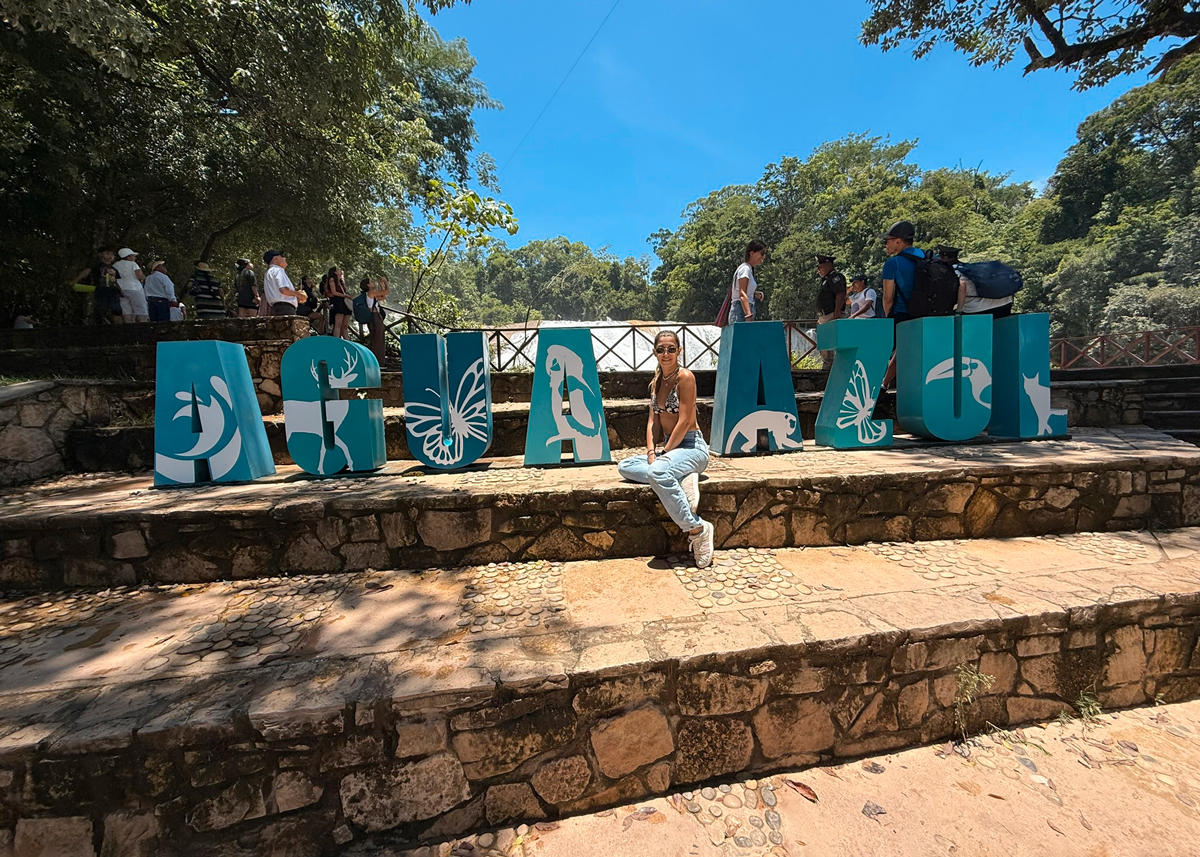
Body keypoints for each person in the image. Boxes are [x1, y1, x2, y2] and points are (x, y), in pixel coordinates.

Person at [616, 330, 715, 569]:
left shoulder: (686, 377)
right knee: (626, 466)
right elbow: (653, 422)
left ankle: (697, 528)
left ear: (679, 351)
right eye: (661, 349)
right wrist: (651, 453)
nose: (666, 353)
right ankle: (681, 478)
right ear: (655, 352)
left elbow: (684, 420)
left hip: (692, 447)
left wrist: (665, 453)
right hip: (671, 451)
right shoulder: (657, 382)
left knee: (657, 472)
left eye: (671, 349)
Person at [880, 221, 925, 388]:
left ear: (898, 241)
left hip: (903, 314)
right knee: (908, 350)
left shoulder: (893, 263)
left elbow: (888, 298)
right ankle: (885, 383)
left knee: (888, 348)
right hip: (928, 315)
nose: (885, 245)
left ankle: (879, 385)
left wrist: (888, 318)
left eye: (887, 240)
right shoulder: (928, 257)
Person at [942, 245, 1015, 319]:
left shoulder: (954, 272)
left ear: (945, 258)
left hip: (982, 309)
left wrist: (958, 311)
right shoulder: (967, 268)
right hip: (1005, 304)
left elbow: (962, 285)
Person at [815, 253, 847, 369]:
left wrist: (837, 313)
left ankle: (834, 366)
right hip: (824, 315)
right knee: (824, 342)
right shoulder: (826, 279)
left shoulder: (835, 277)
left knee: (833, 341)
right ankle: (827, 365)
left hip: (832, 314)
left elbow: (840, 294)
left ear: (828, 265)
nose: (819, 269)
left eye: (821, 266)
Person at [75, 248, 121, 324]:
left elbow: (116, 280)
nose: (110, 256)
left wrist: (120, 290)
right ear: (102, 254)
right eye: (107, 253)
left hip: (113, 290)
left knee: (117, 310)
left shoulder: (114, 268)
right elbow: (86, 272)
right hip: (102, 289)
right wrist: (75, 281)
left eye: (112, 254)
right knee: (101, 309)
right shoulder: (97, 265)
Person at [729, 240, 767, 323]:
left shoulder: (747, 269)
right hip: (741, 311)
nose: (763, 256)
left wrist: (753, 293)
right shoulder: (745, 269)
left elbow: (740, 289)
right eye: (762, 253)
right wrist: (748, 315)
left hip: (741, 310)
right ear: (752, 253)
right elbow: (742, 293)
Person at [114, 248, 148, 323]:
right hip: (135, 289)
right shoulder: (133, 264)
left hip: (122, 289)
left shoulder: (115, 265)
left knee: (127, 310)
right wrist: (145, 278)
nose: (135, 258)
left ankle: (129, 327)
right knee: (141, 309)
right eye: (133, 256)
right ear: (128, 257)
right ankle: (144, 326)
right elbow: (139, 275)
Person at [360, 275, 390, 361]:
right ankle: (378, 360)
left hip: (376, 317)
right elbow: (387, 291)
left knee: (378, 338)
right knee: (377, 339)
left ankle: (379, 360)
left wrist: (382, 285)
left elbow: (383, 296)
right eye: (371, 282)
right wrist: (385, 282)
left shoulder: (371, 294)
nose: (373, 283)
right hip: (374, 317)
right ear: (368, 285)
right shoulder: (370, 293)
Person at [262, 250, 300, 316]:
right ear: (276, 259)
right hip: (285, 309)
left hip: (276, 308)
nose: (284, 258)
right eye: (282, 256)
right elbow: (284, 290)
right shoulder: (278, 270)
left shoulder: (269, 272)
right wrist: (299, 295)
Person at [322, 266, 351, 337]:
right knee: (338, 323)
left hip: (344, 303)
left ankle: (346, 340)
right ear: (334, 272)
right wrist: (346, 296)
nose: (340, 270)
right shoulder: (332, 279)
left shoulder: (340, 281)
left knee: (345, 325)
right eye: (338, 270)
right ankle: (337, 339)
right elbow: (334, 292)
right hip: (338, 302)